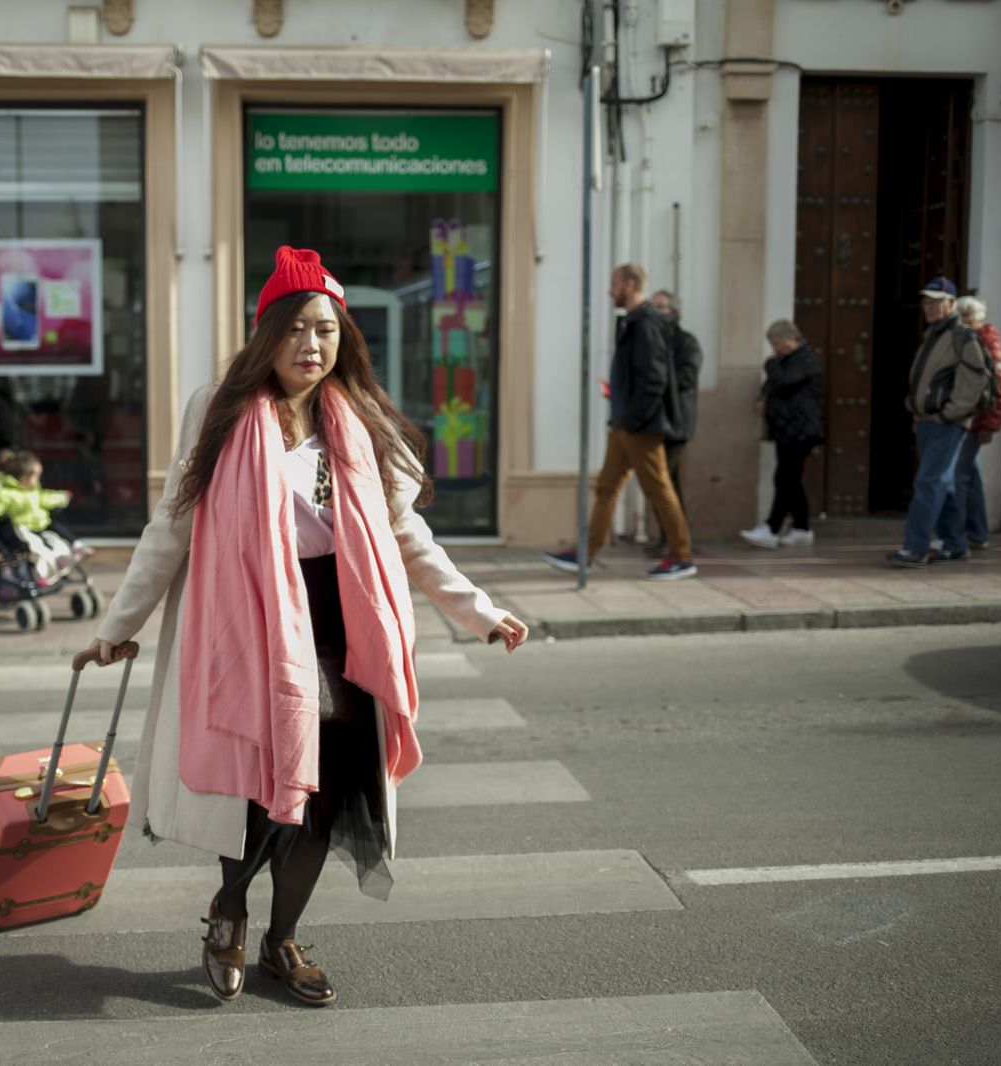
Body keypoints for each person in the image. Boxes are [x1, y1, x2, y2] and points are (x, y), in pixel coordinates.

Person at [83, 246, 528, 1008]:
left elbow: (405, 533)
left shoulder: (357, 419)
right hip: (250, 625)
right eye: (294, 329)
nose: (311, 345)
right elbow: (172, 525)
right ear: (266, 335)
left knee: (326, 795)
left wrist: (479, 610)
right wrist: (119, 623)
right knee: (262, 795)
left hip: (341, 621)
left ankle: (280, 938)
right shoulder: (219, 409)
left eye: (325, 329)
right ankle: (229, 909)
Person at [544, 263, 697, 580]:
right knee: (607, 488)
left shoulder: (646, 323)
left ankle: (681, 556)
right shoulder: (635, 321)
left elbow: (654, 379)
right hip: (625, 424)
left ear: (629, 285)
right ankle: (585, 553)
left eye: (614, 284)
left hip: (639, 426)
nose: (610, 290)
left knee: (658, 489)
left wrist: (634, 419)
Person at [888, 277, 989, 568]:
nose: (929, 307)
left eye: (936, 302)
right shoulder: (933, 334)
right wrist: (917, 412)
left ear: (952, 303)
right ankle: (955, 545)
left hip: (947, 422)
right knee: (942, 484)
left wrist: (949, 414)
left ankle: (915, 548)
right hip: (927, 421)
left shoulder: (962, 335)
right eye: (926, 302)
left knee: (928, 481)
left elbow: (975, 380)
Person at [741, 320, 826, 549]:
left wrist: (770, 363)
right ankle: (801, 528)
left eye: (776, 343)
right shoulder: (786, 361)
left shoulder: (806, 359)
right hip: (788, 429)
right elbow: (772, 386)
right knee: (791, 478)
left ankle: (772, 528)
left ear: (790, 338)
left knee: (785, 478)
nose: (774, 349)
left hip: (801, 430)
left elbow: (784, 382)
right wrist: (762, 399)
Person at [948, 296, 1001, 551]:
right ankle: (977, 533)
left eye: (963, 316)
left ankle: (955, 535)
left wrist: (990, 425)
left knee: (956, 477)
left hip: (974, 422)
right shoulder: (968, 340)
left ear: (973, 317)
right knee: (970, 477)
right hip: (967, 420)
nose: (959, 321)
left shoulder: (986, 343)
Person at [0, 449, 85, 586]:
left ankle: (61, 564)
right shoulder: (4, 492)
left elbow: (44, 498)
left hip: (39, 527)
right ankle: (41, 576)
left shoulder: (31, 490)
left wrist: (61, 497)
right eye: (36, 476)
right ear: (23, 478)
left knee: (57, 543)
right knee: (39, 550)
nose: (38, 480)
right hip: (22, 530)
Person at [648, 290, 703, 558]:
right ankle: (675, 539)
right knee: (669, 484)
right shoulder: (653, 340)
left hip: (677, 424)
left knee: (661, 483)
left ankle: (675, 542)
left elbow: (687, 377)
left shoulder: (686, 342)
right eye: (653, 307)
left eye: (661, 307)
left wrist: (657, 381)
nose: (656, 312)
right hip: (657, 423)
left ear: (673, 311)